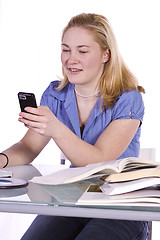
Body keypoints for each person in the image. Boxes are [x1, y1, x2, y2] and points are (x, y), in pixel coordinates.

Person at [0, 13, 148, 240]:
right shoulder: (56, 94)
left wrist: (56, 129)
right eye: (66, 49)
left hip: (121, 204)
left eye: (83, 51)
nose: (71, 59)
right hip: (74, 195)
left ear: (105, 55)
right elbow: (28, 147)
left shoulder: (128, 99)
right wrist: (2, 159)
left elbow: (101, 160)